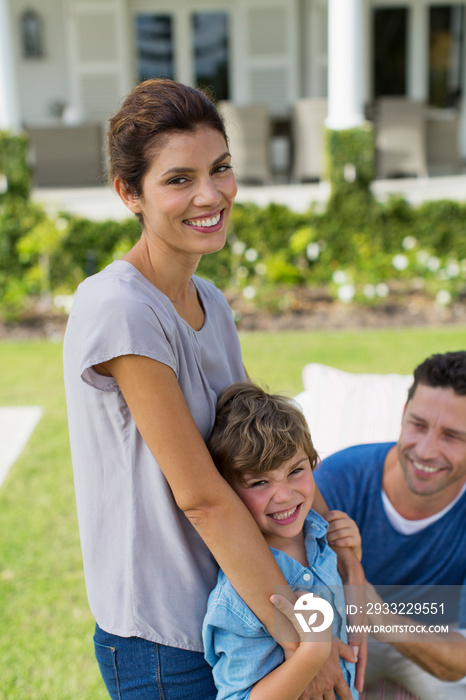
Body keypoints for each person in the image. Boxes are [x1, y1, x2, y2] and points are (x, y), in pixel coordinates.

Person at [63, 78, 363, 699]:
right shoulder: (120, 307)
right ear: (129, 193)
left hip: (244, 606)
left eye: (220, 169)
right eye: (178, 179)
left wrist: (328, 575)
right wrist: (308, 641)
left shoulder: (212, 304)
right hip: (166, 639)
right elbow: (200, 496)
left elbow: (266, 459)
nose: (210, 194)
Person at [314, 351, 466, 700]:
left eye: (452, 436)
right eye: (418, 425)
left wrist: (382, 619)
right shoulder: (339, 479)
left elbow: (460, 660)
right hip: (337, 628)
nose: (425, 451)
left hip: (433, 633)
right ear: (402, 415)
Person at [203, 382, 359, 700]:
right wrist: (312, 653)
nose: (285, 496)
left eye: (295, 471)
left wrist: (352, 554)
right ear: (229, 493)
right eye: (260, 482)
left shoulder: (323, 542)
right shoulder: (238, 596)